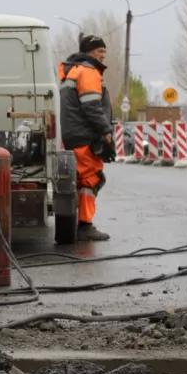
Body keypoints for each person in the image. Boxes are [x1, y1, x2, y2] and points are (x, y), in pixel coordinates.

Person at [57, 34, 114, 242]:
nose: (103, 56)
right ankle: (85, 225)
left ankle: (78, 223)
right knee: (90, 178)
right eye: (100, 51)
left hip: (72, 134)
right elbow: (92, 107)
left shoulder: (71, 71)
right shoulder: (88, 71)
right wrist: (106, 131)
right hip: (85, 135)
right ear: (90, 52)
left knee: (79, 180)